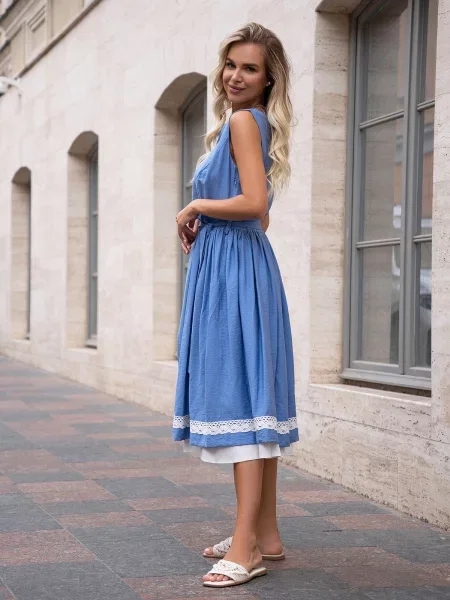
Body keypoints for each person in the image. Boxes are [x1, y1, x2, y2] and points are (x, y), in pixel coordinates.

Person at [172, 22, 298, 589]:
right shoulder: (244, 122)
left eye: (250, 68)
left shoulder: (244, 122)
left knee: (240, 398)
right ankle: (264, 532)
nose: (236, 76)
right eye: (231, 65)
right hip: (238, 266)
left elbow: (253, 202)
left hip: (234, 275)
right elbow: (260, 216)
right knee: (252, 395)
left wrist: (197, 205)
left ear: (269, 78)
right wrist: (215, 224)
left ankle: (246, 549)